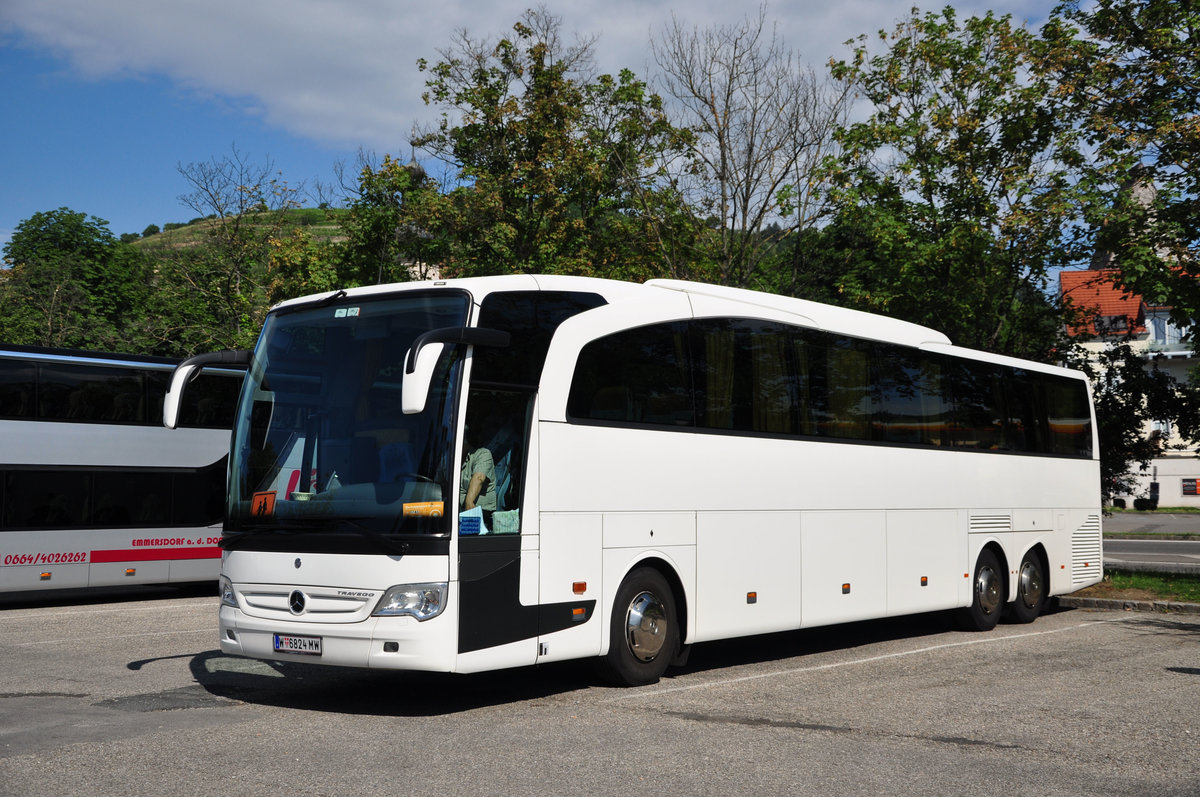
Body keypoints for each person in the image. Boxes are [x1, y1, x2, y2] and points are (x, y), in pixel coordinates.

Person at [459, 424, 497, 514]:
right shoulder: (448, 458)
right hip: (454, 508)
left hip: (479, 511)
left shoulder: (483, 454)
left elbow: (479, 478)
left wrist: (469, 503)